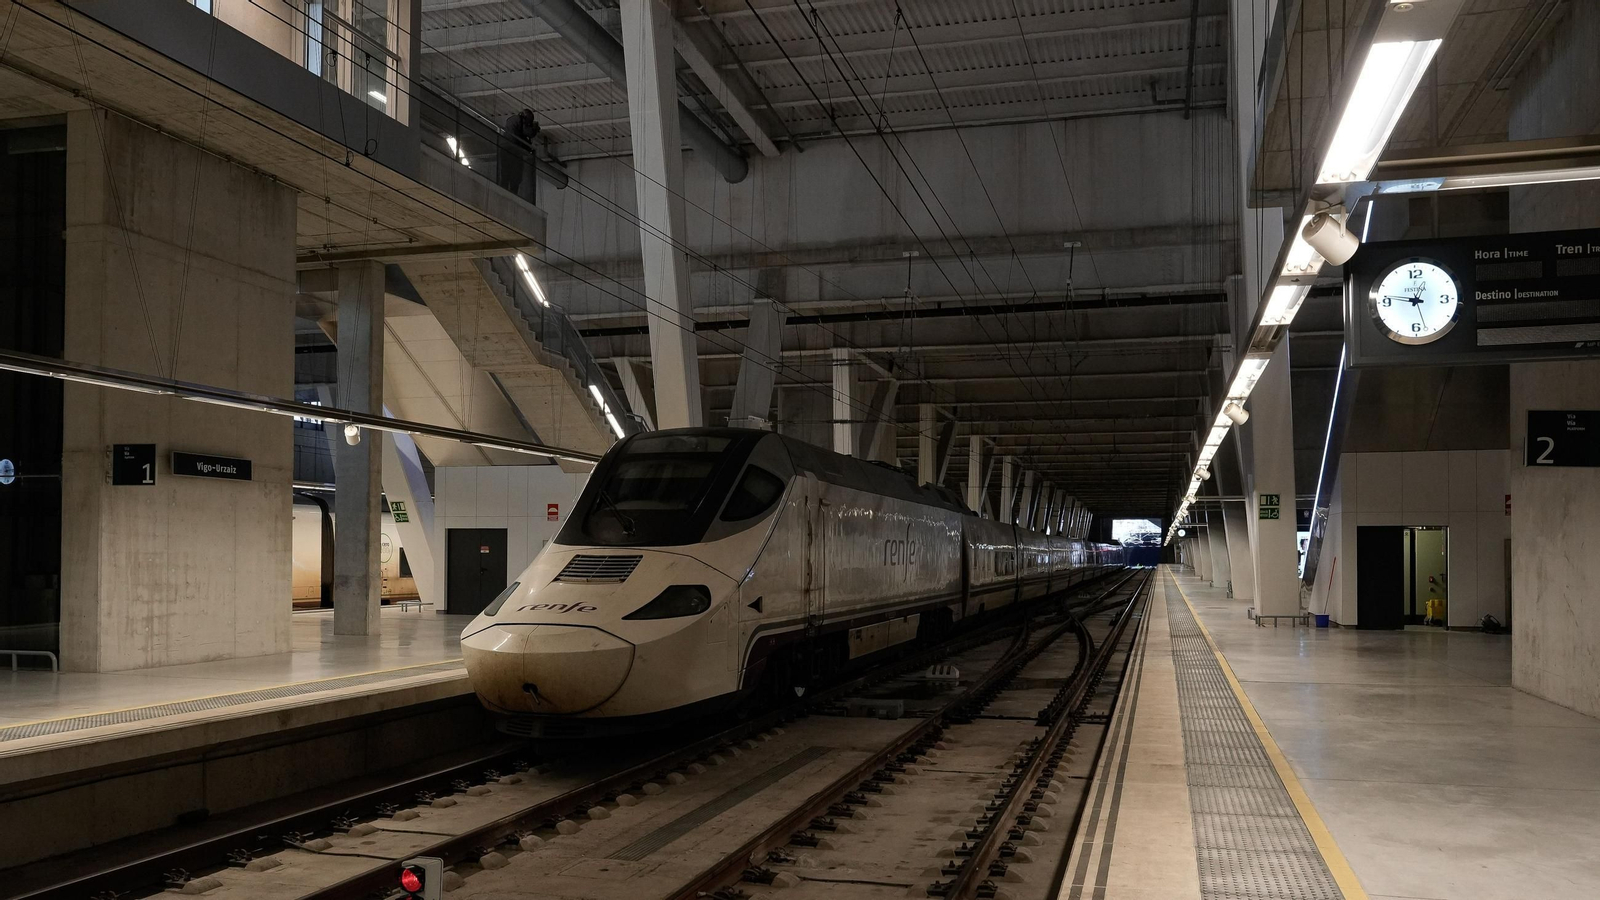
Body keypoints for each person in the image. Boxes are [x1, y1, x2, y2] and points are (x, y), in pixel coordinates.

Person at [499, 108, 541, 199]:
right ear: (526, 118)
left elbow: (520, 135)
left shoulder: (512, 120)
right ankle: (513, 194)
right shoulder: (519, 120)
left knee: (505, 173)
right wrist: (534, 129)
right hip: (514, 151)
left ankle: (503, 192)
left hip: (505, 149)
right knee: (516, 174)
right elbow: (528, 133)